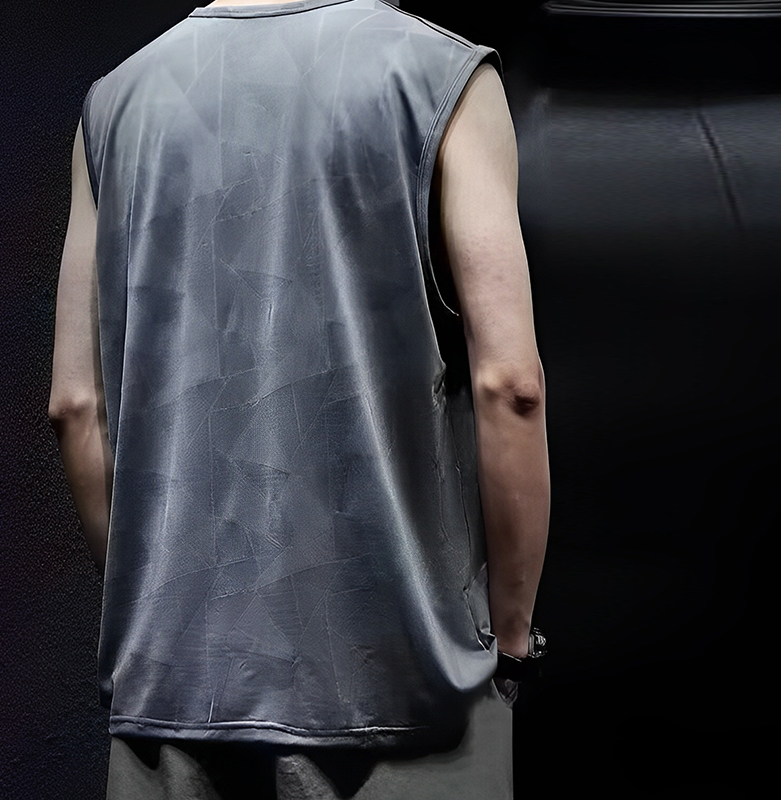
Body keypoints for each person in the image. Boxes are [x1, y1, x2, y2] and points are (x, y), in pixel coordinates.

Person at [49, 0, 549, 797]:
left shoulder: (114, 101)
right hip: (409, 694)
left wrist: (159, 616)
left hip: (173, 692)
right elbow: (510, 386)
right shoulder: (442, 78)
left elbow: (77, 406)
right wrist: (513, 640)